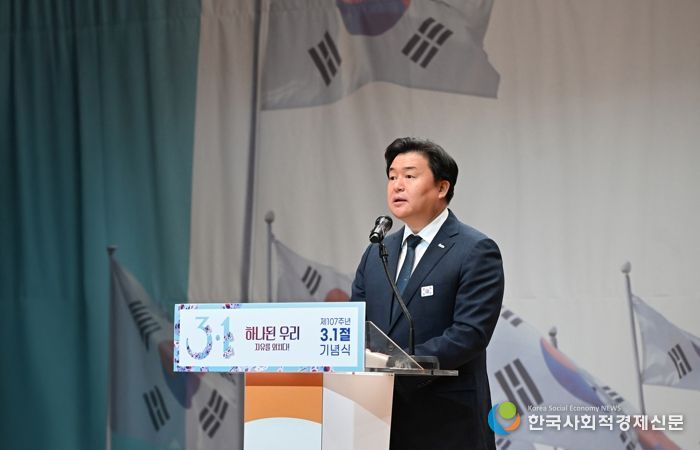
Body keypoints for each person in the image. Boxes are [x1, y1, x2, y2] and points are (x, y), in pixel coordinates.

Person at [351, 137, 504, 450]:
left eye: (409, 176)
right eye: (392, 176)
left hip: (446, 422)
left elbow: (469, 334)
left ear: (442, 187)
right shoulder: (377, 251)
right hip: (376, 420)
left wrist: (399, 365)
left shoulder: (475, 250)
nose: (397, 185)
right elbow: (354, 325)